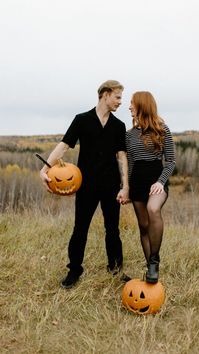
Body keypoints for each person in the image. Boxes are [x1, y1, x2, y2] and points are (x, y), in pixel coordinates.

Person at [40, 80, 130, 288]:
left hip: (111, 186)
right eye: (117, 97)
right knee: (80, 228)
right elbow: (63, 147)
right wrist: (45, 169)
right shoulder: (82, 120)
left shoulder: (119, 126)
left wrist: (125, 186)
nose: (119, 102)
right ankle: (74, 270)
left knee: (113, 229)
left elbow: (121, 156)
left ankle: (115, 270)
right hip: (86, 185)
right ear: (105, 95)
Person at [125, 91, 176, 283]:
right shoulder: (129, 135)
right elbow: (129, 163)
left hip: (157, 181)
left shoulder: (162, 129)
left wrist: (160, 182)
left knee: (153, 209)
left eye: (132, 103)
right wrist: (126, 188)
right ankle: (150, 270)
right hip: (137, 182)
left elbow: (170, 161)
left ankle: (154, 260)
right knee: (143, 226)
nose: (129, 107)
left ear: (142, 105)